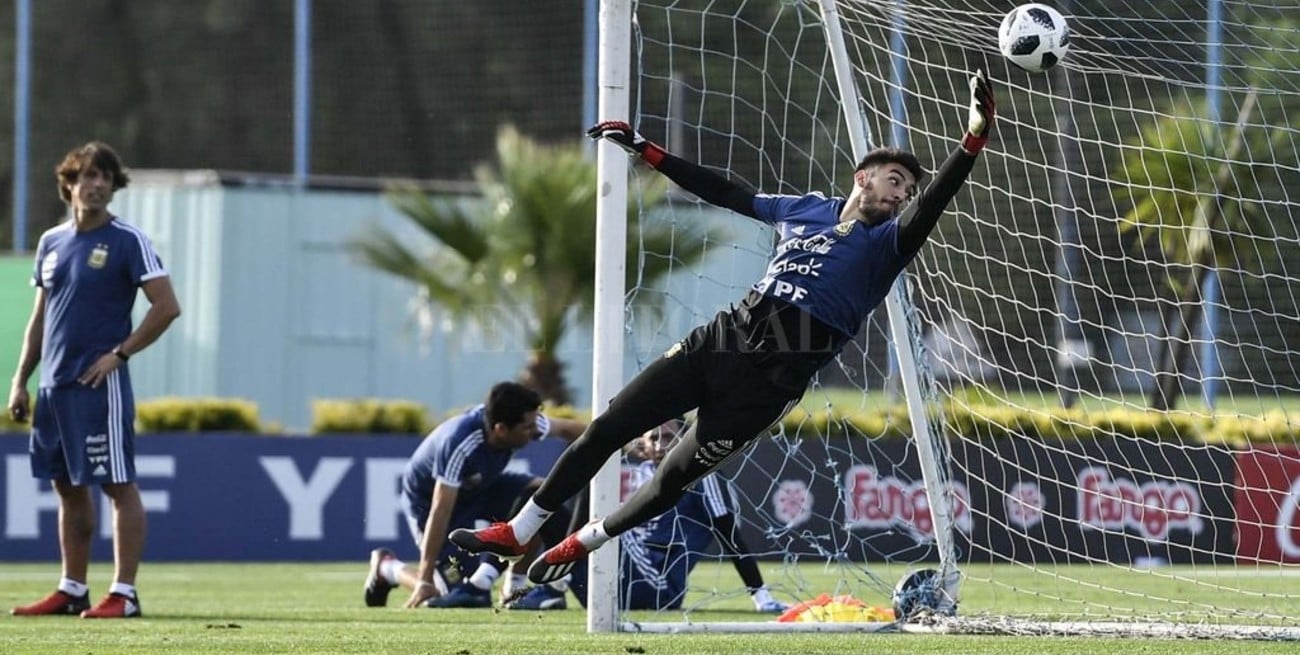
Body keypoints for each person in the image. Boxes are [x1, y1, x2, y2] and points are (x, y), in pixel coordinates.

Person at [450, 70, 997, 586]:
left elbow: (936, 200)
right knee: (608, 427)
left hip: (770, 383)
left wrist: (972, 138)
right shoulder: (803, 209)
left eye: (907, 190)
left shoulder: (887, 245)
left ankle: (586, 540)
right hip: (720, 341)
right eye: (895, 181)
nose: (902, 194)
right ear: (863, 176)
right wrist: (647, 150)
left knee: (671, 477)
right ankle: (518, 531)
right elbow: (726, 193)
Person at [7, 142, 182, 618]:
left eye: (105, 177)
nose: (97, 184)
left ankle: (124, 594)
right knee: (66, 486)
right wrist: (21, 378)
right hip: (54, 386)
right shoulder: (51, 242)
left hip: (97, 387)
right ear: (69, 185)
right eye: (87, 176)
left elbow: (167, 307)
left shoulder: (128, 241)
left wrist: (119, 355)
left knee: (117, 485)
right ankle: (72, 588)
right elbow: (41, 318)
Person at [507, 417, 790, 613]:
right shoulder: (645, 476)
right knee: (541, 503)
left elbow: (728, 532)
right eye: (653, 438)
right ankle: (512, 586)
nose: (660, 444)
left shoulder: (703, 473)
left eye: (668, 436)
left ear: (685, 439)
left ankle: (555, 588)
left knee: (596, 490)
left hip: (659, 586)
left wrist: (761, 596)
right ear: (643, 446)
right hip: (614, 584)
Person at [363, 381, 586, 609]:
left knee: (540, 495)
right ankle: (387, 568)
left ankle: (514, 585)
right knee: (452, 593)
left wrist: (616, 442)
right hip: (431, 502)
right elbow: (441, 509)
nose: (534, 431)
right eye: (527, 428)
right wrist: (424, 578)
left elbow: (567, 429)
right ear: (500, 429)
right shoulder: (460, 443)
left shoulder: (518, 420)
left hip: (481, 486)